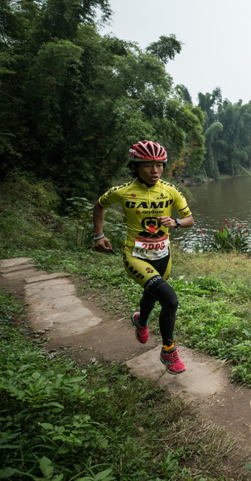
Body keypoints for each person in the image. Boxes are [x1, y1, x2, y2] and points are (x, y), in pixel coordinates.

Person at [93, 140, 194, 374]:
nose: (155, 170)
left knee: (151, 292)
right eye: (148, 165)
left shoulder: (170, 191)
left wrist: (176, 222)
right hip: (136, 256)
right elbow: (99, 205)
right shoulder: (123, 192)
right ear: (135, 166)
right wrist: (99, 236)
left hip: (163, 255)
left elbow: (189, 219)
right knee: (169, 299)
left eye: (159, 165)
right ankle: (168, 350)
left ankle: (141, 321)